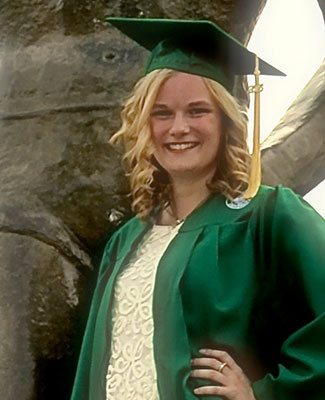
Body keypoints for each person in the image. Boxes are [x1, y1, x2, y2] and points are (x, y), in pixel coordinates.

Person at [70, 18, 325, 400]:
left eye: (197, 111)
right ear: (143, 124)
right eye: (161, 113)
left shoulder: (267, 216)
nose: (178, 128)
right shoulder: (127, 241)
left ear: (225, 121)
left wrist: (264, 394)